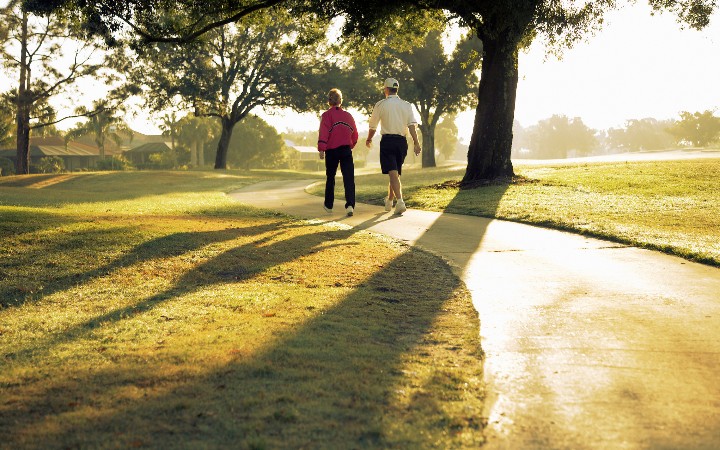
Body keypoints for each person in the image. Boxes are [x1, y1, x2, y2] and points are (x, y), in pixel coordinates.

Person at [365, 77, 421, 215]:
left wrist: (369, 139)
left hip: (388, 142)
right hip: (402, 143)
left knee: (393, 173)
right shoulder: (407, 105)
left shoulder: (380, 105)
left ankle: (400, 201)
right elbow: (412, 126)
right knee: (394, 173)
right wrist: (416, 142)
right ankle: (389, 200)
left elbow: (373, 126)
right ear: (396, 89)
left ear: (386, 89)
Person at [318, 88, 359, 216]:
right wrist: (350, 145)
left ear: (329, 101)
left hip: (331, 151)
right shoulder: (348, 116)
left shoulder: (326, 115)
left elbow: (324, 132)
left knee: (331, 177)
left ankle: (329, 205)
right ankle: (350, 205)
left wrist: (321, 149)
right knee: (348, 178)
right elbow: (355, 134)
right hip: (346, 150)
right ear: (340, 101)